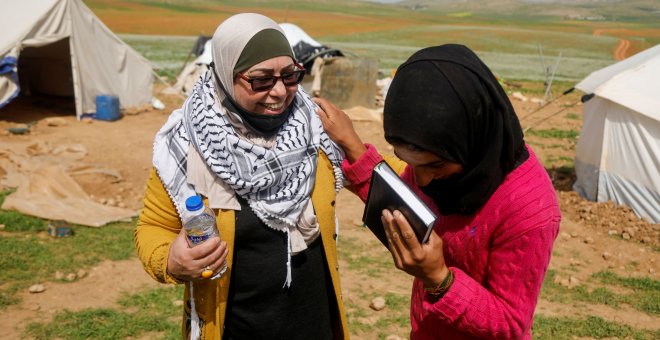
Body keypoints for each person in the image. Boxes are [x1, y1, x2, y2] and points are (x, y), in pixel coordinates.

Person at [315, 44, 560, 339]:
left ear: (472, 135)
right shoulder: (452, 167)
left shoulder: (529, 207)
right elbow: (405, 205)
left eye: (436, 165)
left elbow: (510, 324)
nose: (423, 181)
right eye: (409, 164)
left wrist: (439, 279)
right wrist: (352, 145)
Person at [134, 13, 348, 340]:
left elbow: (372, 169)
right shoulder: (188, 143)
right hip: (234, 327)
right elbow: (154, 227)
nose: (280, 92)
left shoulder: (316, 127)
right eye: (261, 79)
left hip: (314, 324)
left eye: (290, 75)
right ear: (225, 72)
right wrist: (172, 261)